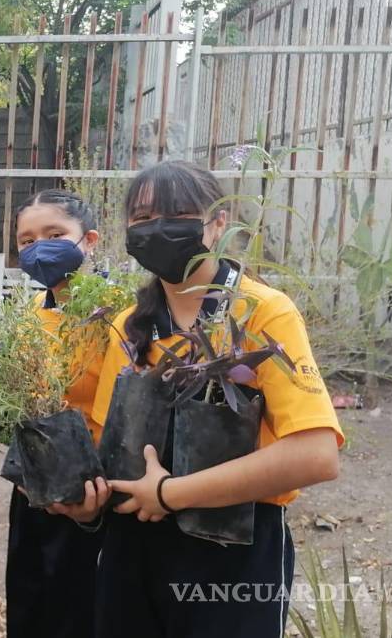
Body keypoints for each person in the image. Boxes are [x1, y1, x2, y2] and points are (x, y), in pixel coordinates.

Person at [87, 161, 342, 637]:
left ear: (218, 223)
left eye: (179, 214)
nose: (158, 229)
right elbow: (109, 448)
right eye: (142, 219)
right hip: (132, 549)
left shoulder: (261, 312)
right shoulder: (128, 326)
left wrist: (170, 493)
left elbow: (316, 454)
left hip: (234, 550)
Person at [0, 189, 108, 638]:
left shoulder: (119, 315)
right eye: (26, 240)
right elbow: (14, 393)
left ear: (89, 240)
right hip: (31, 486)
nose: (39, 247)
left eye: (54, 234)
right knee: (29, 600)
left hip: (95, 492)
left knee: (83, 609)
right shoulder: (26, 315)